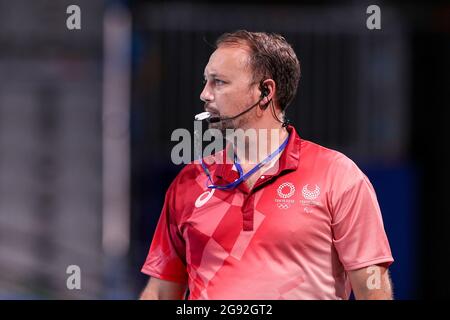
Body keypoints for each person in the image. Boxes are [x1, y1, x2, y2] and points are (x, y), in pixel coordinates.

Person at [140, 30, 394, 300]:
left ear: (265, 91)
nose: (205, 94)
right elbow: (160, 293)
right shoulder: (189, 181)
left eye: (219, 83)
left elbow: (372, 290)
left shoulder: (337, 175)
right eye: (206, 81)